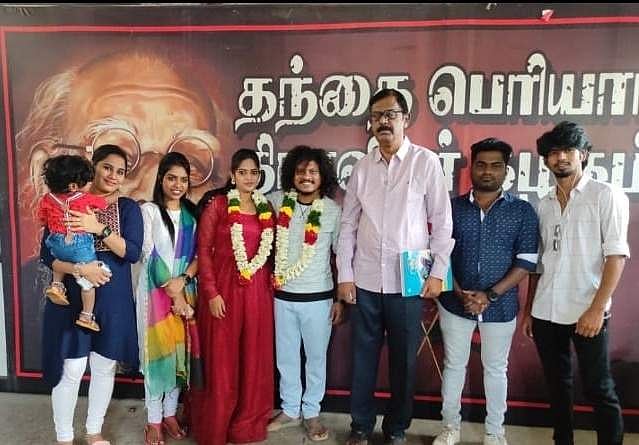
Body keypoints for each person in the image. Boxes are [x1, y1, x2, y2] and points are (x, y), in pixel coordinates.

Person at [336, 88, 454, 445]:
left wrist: (438, 273)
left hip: (409, 282)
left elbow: (442, 222)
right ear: (370, 124)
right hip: (366, 280)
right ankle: (360, 425)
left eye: (390, 114)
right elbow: (347, 225)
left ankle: (397, 429)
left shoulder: (425, 162)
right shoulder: (362, 167)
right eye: (377, 116)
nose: (383, 121)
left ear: (406, 119)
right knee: (363, 358)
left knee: (404, 362)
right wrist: (345, 275)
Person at [521, 121, 629, 445]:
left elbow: (616, 257)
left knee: (599, 388)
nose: (561, 158)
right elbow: (539, 264)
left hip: (587, 312)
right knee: (557, 386)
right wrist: (529, 311)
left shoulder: (605, 196)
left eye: (568, 150)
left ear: (583, 154)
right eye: (553, 152)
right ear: (546, 160)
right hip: (546, 311)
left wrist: (597, 309)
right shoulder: (543, 204)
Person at [432, 138, 539, 445]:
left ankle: (495, 432)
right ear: (472, 167)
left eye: (495, 165)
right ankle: (450, 428)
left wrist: (489, 295)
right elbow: (439, 253)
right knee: (454, 366)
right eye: (481, 164)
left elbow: (526, 262)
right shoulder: (451, 208)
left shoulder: (522, 211)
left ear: (506, 170)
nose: (487, 171)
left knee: (496, 369)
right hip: (454, 302)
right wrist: (458, 291)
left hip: (501, 305)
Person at [40, 144, 143, 445]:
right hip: (72, 296)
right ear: (93, 166)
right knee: (71, 368)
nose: (113, 175)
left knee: (104, 366)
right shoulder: (64, 200)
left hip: (112, 300)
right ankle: (64, 437)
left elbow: (131, 252)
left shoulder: (127, 208)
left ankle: (94, 431)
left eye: (120, 171)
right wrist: (80, 269)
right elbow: (47, 255)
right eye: (107, 167)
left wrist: (98, 227)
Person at [190, 149, 275, 445]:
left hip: (257, 294)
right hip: (224, 291)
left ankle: (246, 423)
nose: (249, 178)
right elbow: (203, 252)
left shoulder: (266, 208)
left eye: (254, 173)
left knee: (253, 358)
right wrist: (211, 293)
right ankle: (217, 425)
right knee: (222, 361)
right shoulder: (218, 205)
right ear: (232, 175)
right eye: (243, 172)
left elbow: (269, 254)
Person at [266, 145, 343, 442]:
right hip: (282, 297)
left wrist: (339, 299)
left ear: (323, 176)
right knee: (285, 357)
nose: (306, 176)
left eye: (313, 171)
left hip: (318, 299)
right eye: (300, 171)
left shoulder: (333, 211)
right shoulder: (276, 202)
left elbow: (342, 256)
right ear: (291, 174)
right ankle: (289, 409)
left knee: (316, 359)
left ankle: (311, 412)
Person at [135, 152, 201, 445]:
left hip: (186, 291)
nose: (177, 185)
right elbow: (149, 254)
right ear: (161, 179)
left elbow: (199, 256)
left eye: (183, 180)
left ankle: (170, 413)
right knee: (156, 355)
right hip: (155, 296)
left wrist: (183, 282)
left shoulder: (191, 215)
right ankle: (153, 420)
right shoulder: (149, 211)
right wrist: (174, 294)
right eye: (171, 178)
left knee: (179, 353)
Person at [38, 154, 111, 331]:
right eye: (87, 182)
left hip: (56, 241)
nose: (90, 185)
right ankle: (86, 315)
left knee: (58, 260)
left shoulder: (47, 199)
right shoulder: (83, 198)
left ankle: (57, 285)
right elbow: (103, 204)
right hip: (79, 245)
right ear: (73, 186)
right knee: (89, 282)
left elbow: (42, 219)